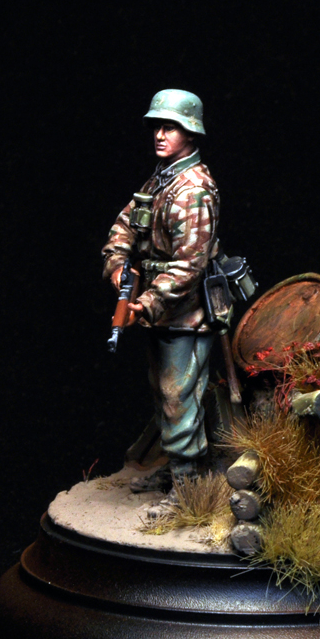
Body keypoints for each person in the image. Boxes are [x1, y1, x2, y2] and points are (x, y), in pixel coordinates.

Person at [101, 89, 220, 503]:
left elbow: (189, 265)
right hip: (159, 310)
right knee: (163, 394)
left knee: (178, 398)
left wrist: (146, 303)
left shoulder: (194, 190)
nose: (160, 134)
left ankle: (189, 491)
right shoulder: (161, 178)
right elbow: (124, 226)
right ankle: (175, 469)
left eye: (171, 127)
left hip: (186, 315)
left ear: (191, 132)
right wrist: (118, 265)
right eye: (157, 126)